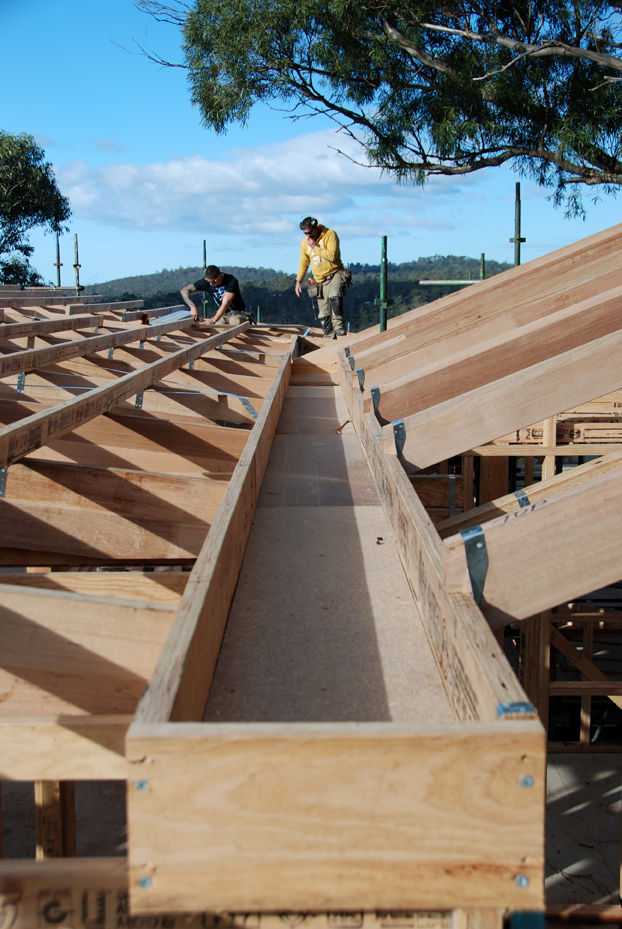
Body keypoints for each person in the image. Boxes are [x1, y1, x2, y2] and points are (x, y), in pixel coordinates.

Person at [294, 217, 349, 339]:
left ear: (316, 227)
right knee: (324, 313)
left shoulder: (330, 235)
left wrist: (315, 247)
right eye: (305, 233)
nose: (308, 235)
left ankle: (339, 327)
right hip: (320, 280)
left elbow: (332, 256)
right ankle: (329, 335)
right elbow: (304, 262)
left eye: (309, 232)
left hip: (334, 273)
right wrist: (299, 280)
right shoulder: (305, 244)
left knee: (335, 296)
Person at [180, 265, 252, 325]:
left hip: (239, 313)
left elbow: (225, 303)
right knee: (218, 325)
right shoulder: (207, 282)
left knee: (235, 322)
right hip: (224, 315)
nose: (211, 284)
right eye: (208, 281)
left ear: (219, 276)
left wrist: (213, 320)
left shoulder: (231, 281)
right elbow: (184, 291)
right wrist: (192, 307)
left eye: (213, 281)